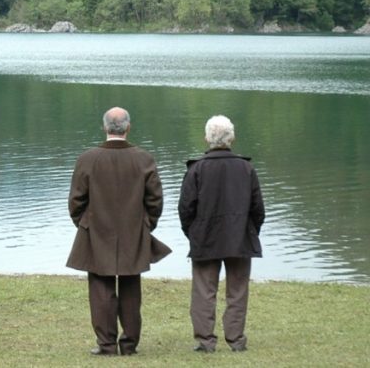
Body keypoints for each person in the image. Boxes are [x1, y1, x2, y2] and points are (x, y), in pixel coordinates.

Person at [66, 107, 171, 356]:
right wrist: (145, 225)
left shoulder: (87, 159)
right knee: (131, 286)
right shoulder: (144, 159)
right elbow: (155, 201)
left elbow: (76, 201)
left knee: (100, 288)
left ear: (104, 128)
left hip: (97, 231)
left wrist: (86, 224)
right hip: (133, 232)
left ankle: (106, 345)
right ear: (128, 128)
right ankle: (129, 345)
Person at [178, 114, 265, 353]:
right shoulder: (247, 168)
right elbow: (258, 209)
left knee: (204, 291)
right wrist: (249, 232)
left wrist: (193, 233)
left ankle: (206, 341)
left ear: (207, 138)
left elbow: (185, 209)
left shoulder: (196, 169)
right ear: (232, 138)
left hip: (205, 238)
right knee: (237, 291)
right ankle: (236, 340)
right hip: (240, 238)